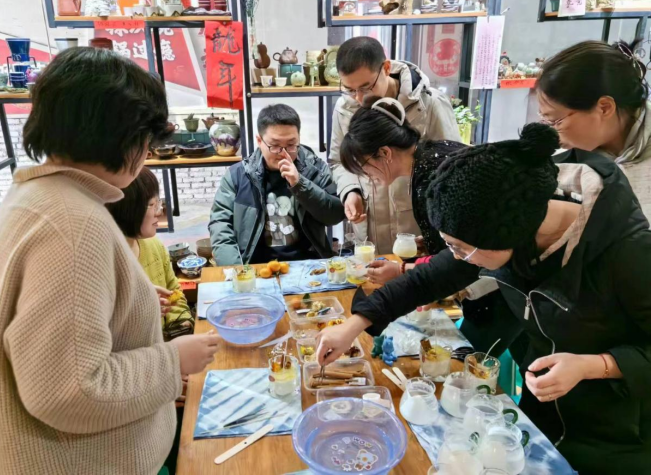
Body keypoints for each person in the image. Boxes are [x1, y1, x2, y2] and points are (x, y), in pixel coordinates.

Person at [318, 124, 651, 473]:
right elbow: (425, 279)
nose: (456, 257)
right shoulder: (509, 229)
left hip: (618, 436)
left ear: (503, 236)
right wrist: (353, 326)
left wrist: (594, 366)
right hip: (542, 411)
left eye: (460, 248)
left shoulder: (630, 254)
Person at [0, 47, 220, 475]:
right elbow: (70, 391)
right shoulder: (73, 224)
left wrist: (129, 301)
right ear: (122, 137)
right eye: (146, 140)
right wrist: (173, 360)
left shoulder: (36, 199)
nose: (147, 152)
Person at [337, 95, 516, 355]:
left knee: (468, 360)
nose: (367, 177)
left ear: (384, 153)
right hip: (501, 282)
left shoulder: (431, 177)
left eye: (364, 168)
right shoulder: (434, 154)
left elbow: (464, 258)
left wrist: (403, 269)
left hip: (500, 289)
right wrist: (431, 245)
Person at [329, 36, 461, 254]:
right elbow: (338, 161)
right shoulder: (344, 108)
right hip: (371, 222)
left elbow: (451, 167)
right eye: (350, 89)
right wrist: (350, 191)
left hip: (415, 224)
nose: (359, 98)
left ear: (386, 68)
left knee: (417, 268)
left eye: (366, 87)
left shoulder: (428, 103)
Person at [209, 104, 345, 266]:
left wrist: (300, 184)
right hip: (255, 266)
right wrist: (236, 270)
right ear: (259, 141)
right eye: (275, 146)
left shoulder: (315, 170)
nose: (283, 153)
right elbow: (220, 225)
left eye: (291, 145)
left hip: (309, 265)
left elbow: (335, 215)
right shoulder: (238, 176)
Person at [537, 39, 651, 218]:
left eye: (556, 121)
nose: (552, 134)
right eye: (545, 120)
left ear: (604, 108)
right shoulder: (577, 157)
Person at [107, 167, 194, 335]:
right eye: (152, 205)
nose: (159, 212)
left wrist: (181, 324)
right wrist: (142, 313)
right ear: (128, 209)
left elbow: (174, 290)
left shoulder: (154, 246)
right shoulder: (107, 260)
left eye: (159, 203)